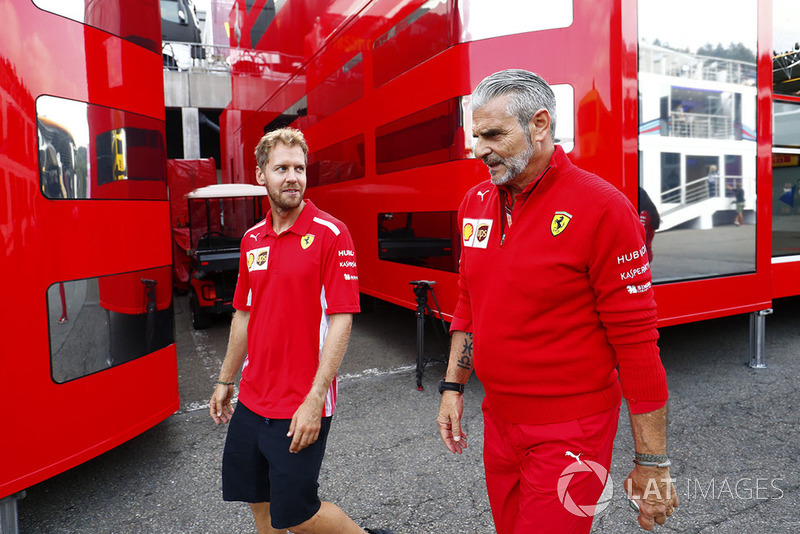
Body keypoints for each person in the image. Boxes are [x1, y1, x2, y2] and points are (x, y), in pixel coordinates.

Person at [436, 70, 677, 533]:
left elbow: (637, 344)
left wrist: (652, 463)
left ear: (540, 125)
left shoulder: (602, 207)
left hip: (573, 430)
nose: (478, 149)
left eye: (492, 134)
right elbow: (469, 298)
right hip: (499, 420)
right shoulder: (475, 202)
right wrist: (453, 386)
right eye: (475, 136)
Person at [209, 128, 391, 534]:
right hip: (253, 400)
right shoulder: (251, 240)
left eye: (299, 168)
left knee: (300, 514)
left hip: (300, 402)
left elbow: (343, 318)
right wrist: (225, 379)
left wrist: (315, 398)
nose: (292, 177)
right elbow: (243, 315)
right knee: (258, 503)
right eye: (281, 169)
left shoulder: (330, 233)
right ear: (261, 176)